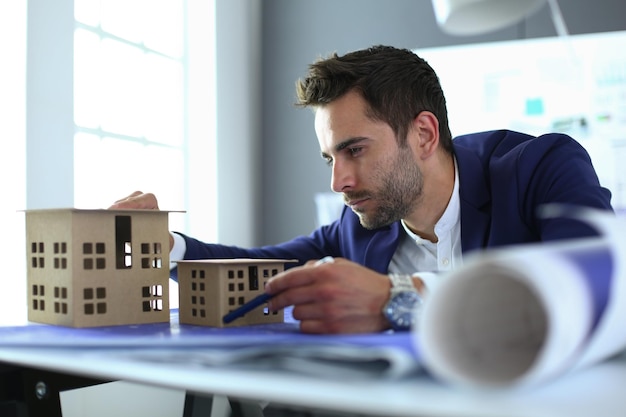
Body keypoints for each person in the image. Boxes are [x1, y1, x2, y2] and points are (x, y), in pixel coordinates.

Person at [110, 45, 613, 335]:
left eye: (355, 150)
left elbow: (594, 286)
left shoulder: (542, 169)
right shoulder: (359, 228)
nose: (338, 182)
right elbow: (260, 273)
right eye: (331, 159)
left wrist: (397, 300)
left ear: (423, 134)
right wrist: (166, 247)